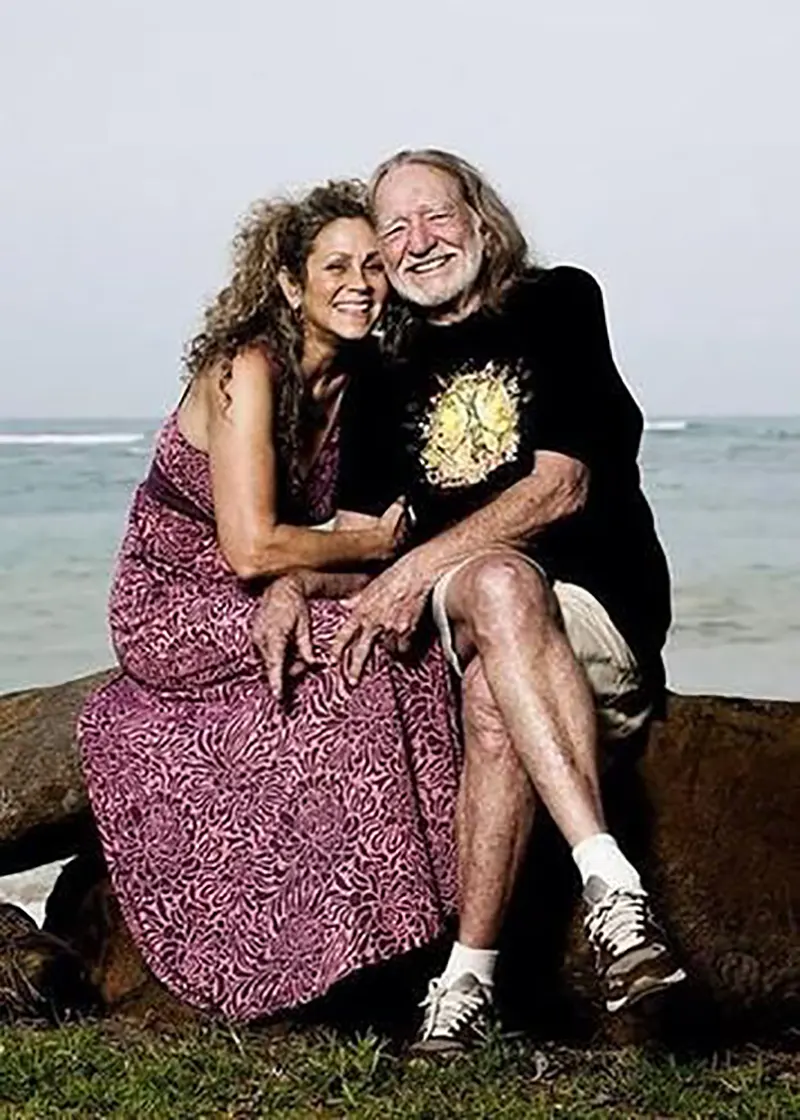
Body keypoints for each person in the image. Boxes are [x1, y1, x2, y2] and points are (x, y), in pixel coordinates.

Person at [77, 180, 464, 1022]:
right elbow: (251, 548)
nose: (360, 283)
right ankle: (307, 956)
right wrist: (374, 546)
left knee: (404, 649)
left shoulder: (364, 380)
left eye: (374, 265)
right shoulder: (248, 367)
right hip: (173, 600)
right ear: (291, 283)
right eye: (336, 266)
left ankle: (426, 931)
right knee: (348, 658)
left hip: (268, 589)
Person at [331, 150, 686, 1053]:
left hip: (596, 611)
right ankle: (613, 885)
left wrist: (411, 571)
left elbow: (563, 486)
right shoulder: (381, 369)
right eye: (395, 228)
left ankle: (466, 980)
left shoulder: (558, 302)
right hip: (472, 595)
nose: (418, 241)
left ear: (482, 220)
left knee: (494, 691)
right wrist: (287, 589)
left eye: (436, 215)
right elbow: (358, 532)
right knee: (495, 581)